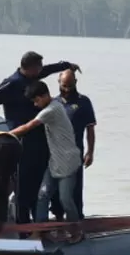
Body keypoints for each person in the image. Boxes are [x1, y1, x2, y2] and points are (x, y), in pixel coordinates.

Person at [0, 51, 81, 223]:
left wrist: (67, 65)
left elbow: (48, 69)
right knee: (23, 182)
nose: (41, 71)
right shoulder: (12, 83)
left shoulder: (35, 76)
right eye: (38, 68)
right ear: (30, 68)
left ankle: (46, 219)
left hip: (39, 137)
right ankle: (22, 222)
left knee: (41, 179)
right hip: (21, 139)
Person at [8, 80, 83, 222]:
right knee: (42, 195)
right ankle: (40, 230)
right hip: (55, 160)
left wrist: (4, 135)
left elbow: (27, 127)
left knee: (65, 200)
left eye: (36, 101)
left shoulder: (51, 110)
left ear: (45, 96)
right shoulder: (54, 103)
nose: (35, 105)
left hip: (67, 161)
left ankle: (75, 228)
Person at [48, 69, 96, 219]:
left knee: (74, 189)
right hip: (55, 154)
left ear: (75, 82)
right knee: (55, 191)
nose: (67, 89)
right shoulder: (53, 102)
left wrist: (90, 152)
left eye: (70, 85)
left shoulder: (84, 102)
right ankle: (58, 217)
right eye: (64, 85)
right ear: (58, 83)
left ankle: (76, 219)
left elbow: (90, 129)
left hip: (75, 153)